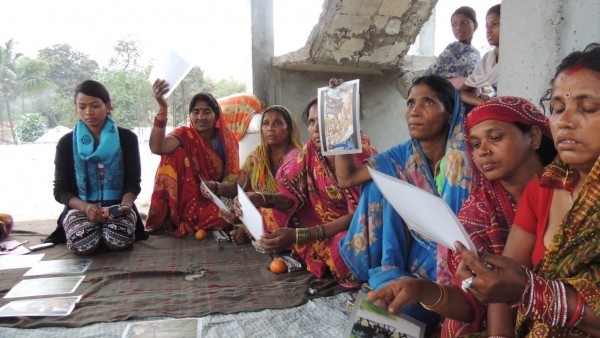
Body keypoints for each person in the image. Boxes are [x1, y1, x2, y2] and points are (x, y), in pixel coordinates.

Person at [367, 96, 557, 337]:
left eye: (495, 138)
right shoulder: (477, 213)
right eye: (476, 145)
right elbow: (472, 307)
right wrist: (422, 289)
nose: (484, 151)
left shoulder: (569, 192)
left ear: (533, 137)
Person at [454, 44, 600, 336]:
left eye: (587, 108)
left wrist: (529, 290)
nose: (565, 122)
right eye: (558, 109)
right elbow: (506, 276)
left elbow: (518, 285)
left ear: (532, 138)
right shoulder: (545, 186)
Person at [336, 74, 472, 326]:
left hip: (458, 262)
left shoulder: (467, 161)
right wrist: (342, 119)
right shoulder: (402, 155)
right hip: (411, 257)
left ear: (449, 112)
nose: (414, 111)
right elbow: (348, 178)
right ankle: (395, 281)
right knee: (379, 185)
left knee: (402, 307)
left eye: (428, 102)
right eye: (410, 103)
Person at [235, 97, 377, 288]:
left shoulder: (359, 154)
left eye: (325, 120)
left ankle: (321, 256)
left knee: (348, 247)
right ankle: (313, 253)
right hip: (317, 224)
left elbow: (359, 217)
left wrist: (299, 236)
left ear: (343, 123)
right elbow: (290, 196)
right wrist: (260, 198)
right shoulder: (310, 151)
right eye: (311, 122)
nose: (317, 128)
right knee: (270, 212)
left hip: (351, 228)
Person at [47, 80, 146, 254]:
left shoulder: (127, 138)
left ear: (107, 106)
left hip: (117, 209)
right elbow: (60, 190)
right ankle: (95, 232)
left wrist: (124, 206)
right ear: (76, 109)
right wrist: (87, 208)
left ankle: (107, 231)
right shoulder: (66, 143)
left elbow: (133, 183)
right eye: (82, 107)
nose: (88, 112)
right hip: (80, 209)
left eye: (95, 106)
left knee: (118, 240)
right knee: (82, 242)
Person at [145, 79, 239, 237]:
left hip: (214, 196)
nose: (201, 117)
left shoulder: (227, 140)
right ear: (190, 115)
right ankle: (171, 216)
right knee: (174, 155)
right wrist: (163, 108)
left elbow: (232, 176)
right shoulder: (185, 134)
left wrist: (215, 188)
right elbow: (157, 147)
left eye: (207, 111)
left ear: (217, 117)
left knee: (228, 217)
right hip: (185, 199)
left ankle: (185, 220)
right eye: (196, 112)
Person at [203, 105, 303, 244]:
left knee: (272, 212)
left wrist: (259, 201)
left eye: (278, 123)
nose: (270, 128)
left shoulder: (297, 158)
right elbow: (239, 185)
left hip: (290, 212)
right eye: (266, 123)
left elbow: (291, 200)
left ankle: (250, 231)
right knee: (231, 199)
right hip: (262, 207)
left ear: (289, 128)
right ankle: (251, 229)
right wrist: (216, 187)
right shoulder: (258, 154)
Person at [424, 6, 480, 90]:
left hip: (470, 97)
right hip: (448, 96)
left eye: (464, 22)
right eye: (454, 25)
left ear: (475, 25)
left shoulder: (476, 54)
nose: (458, 28)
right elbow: (430, 74)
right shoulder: (451, 49)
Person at [460, 4, 501, 108]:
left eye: (495, 24)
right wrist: (484, 104)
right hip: (487, 109)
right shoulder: (487, 58)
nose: (489, 30)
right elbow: (462, 92)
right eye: (487, 26)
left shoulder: (516, 59)